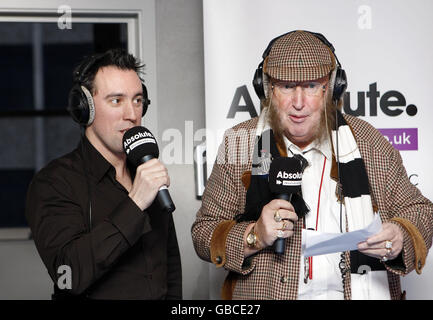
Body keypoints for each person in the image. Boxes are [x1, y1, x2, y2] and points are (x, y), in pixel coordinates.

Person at [191, 30, 433, 300]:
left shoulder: (368, 142)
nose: (298, 103)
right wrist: (254, 235)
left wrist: (399, 236)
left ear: (331, 87)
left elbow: (421, 211)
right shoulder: (239, 143)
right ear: (267, 88)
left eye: (310, 86)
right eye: (286, 86)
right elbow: (204, 233)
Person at [26, 49, 182, 300]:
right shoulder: (54, 182)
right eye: (116, 100)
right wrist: (135, 203)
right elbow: (70, 275)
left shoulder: (146, 172)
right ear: (84, 108)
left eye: (137, 100)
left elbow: (170, 269)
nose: (131, 114)